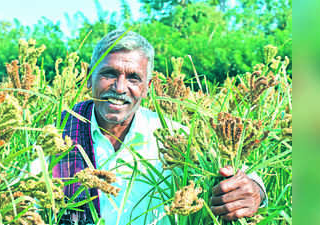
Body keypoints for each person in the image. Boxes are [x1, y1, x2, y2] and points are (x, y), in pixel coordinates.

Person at [53, 30, 266, 225]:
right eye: (109, 74)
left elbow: (234, 172)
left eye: (133, 78)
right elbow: (24, 195)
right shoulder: (59, 135)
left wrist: (255, 190)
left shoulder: (171, 137)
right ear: (90, 78)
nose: (119, 87)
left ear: (148, 88)